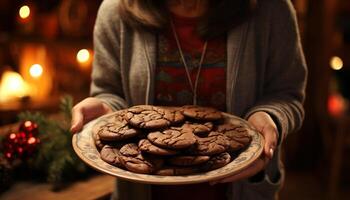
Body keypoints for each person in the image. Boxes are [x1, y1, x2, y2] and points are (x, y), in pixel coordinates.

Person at [70, 0, 307, 199]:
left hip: (240, 190)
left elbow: (287, 93)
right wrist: (105, 107)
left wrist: (269, 117)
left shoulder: (271, 9)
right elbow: (112, 93)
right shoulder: (115, 11)